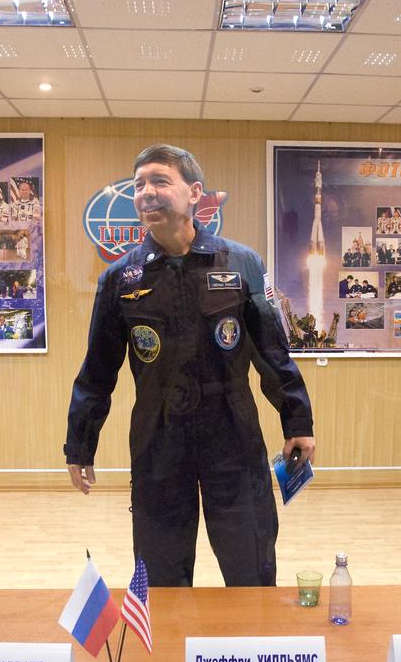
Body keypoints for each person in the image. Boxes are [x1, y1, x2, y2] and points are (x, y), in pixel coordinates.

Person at [64, 144, 315, 588]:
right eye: (139, 185)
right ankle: (168, 657)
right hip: (159, 439)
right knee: (161, 572)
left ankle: (251, 652)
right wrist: (80, 445)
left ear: (195, 192)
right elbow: (98, 371)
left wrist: (297, 419)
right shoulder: (121, 279)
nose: (146, 193)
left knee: (250, 563)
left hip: (232, 434)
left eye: (160, 181)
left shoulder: (241, 264)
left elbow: (273, 353)